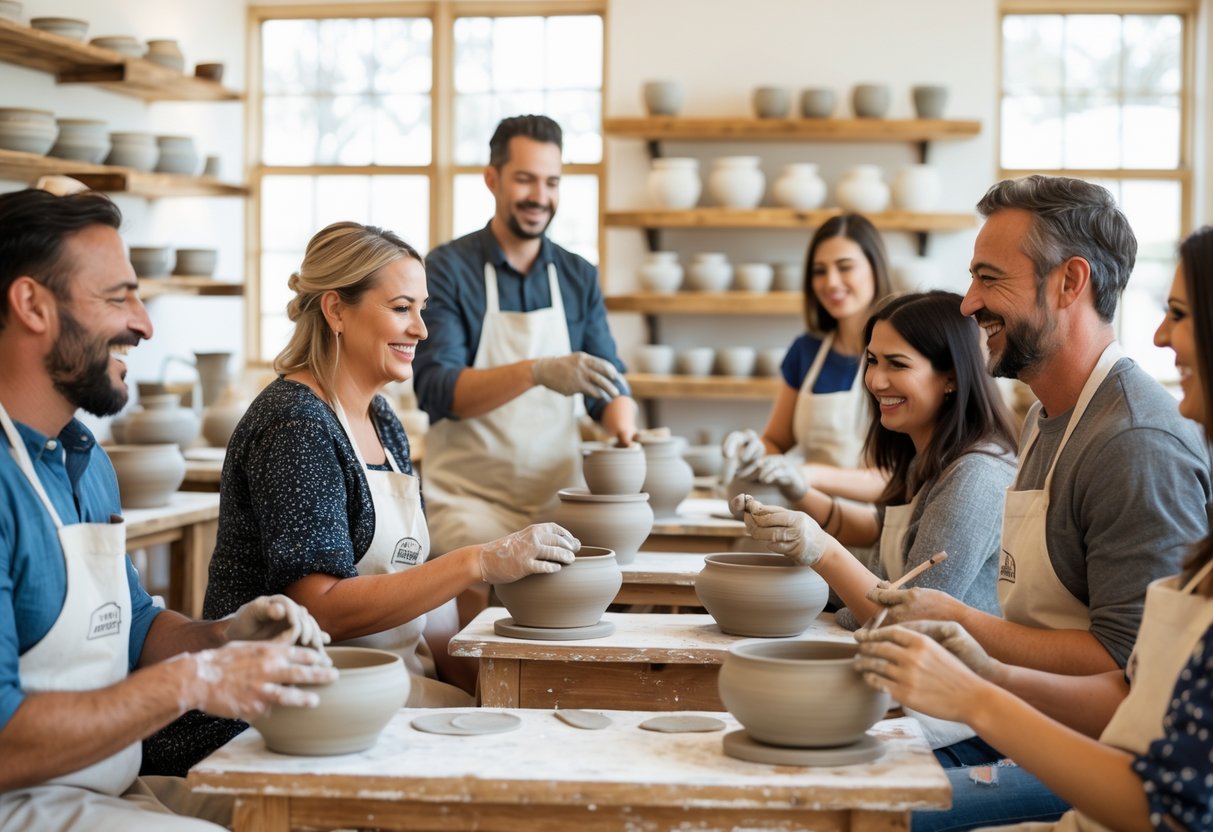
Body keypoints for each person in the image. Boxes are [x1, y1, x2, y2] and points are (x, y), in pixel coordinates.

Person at [142, 221, 580, 777]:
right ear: (336, 311)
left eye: (423, 309)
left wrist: (487, 688)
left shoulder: (383, 421)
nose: (421, 329)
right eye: (402, 309)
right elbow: (319, 608)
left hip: (379, 686)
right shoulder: (295, 425)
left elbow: (426, 601)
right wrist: (477, 560)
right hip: (277, 708)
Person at [859, 176, 1210, 828]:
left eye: (989, 279)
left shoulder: (1133, 443)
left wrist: (977, 660)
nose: (967, 305)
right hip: (1038, 720)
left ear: (1068, 283)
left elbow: (1128, 676)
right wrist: (971, 651)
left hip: (1099, 758)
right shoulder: (1045, 418)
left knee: (875, 812)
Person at [0, 187, 336, 831]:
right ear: (32, 305)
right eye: (117, 297)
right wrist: (195, 682)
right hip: (20, 802)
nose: (144, 323)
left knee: (323, 815)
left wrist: (225, 634)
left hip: (104, 784)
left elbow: (131, 627)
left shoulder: (86, 460)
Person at [737, 290, 1017, 755]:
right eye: (871, 361)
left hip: (962, 726)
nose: (876, 380)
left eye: (897, 364)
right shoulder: (926, 457)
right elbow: (880, 559)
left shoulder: (976, 475)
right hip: (907, 691)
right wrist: (796, 530)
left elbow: (904, 618)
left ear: (951, 377)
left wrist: (822, 551)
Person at [413, 114, 639, 562]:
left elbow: (608, 385)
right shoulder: (447, 269)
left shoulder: (577, 276)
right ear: (492, 179)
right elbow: (439, 390)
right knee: (475, 577)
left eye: (552, 182)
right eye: (525, 180)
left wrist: (624, 428)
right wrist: (537, 372)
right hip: (468, 500)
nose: (540, 197)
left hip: (560, 500)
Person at [720, 213, 893, 503]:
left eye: (845, 267)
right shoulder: (806, 351)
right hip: (806, 515)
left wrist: (805, 473)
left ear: (875, 268)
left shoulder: (900, 354)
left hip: (869, 525)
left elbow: (892, 478)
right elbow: (777, 440)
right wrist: (752, 449)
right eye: (819, 271)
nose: (831, 282)